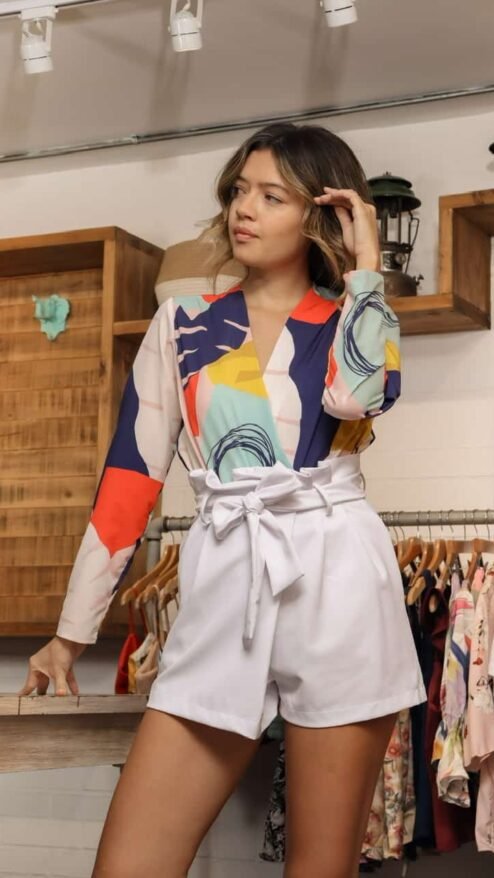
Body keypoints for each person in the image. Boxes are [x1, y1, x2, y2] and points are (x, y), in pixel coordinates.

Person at [20, 122, 426, 878]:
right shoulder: (184, 324)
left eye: (272, 196)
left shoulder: (353, 319)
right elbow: (131, 476)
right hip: (226, 580)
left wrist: (367, 265)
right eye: (240, 189)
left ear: (320, 215)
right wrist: (71, 634)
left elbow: (356, 396)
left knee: (320, 869)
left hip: (338, 578)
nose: (244, 207)